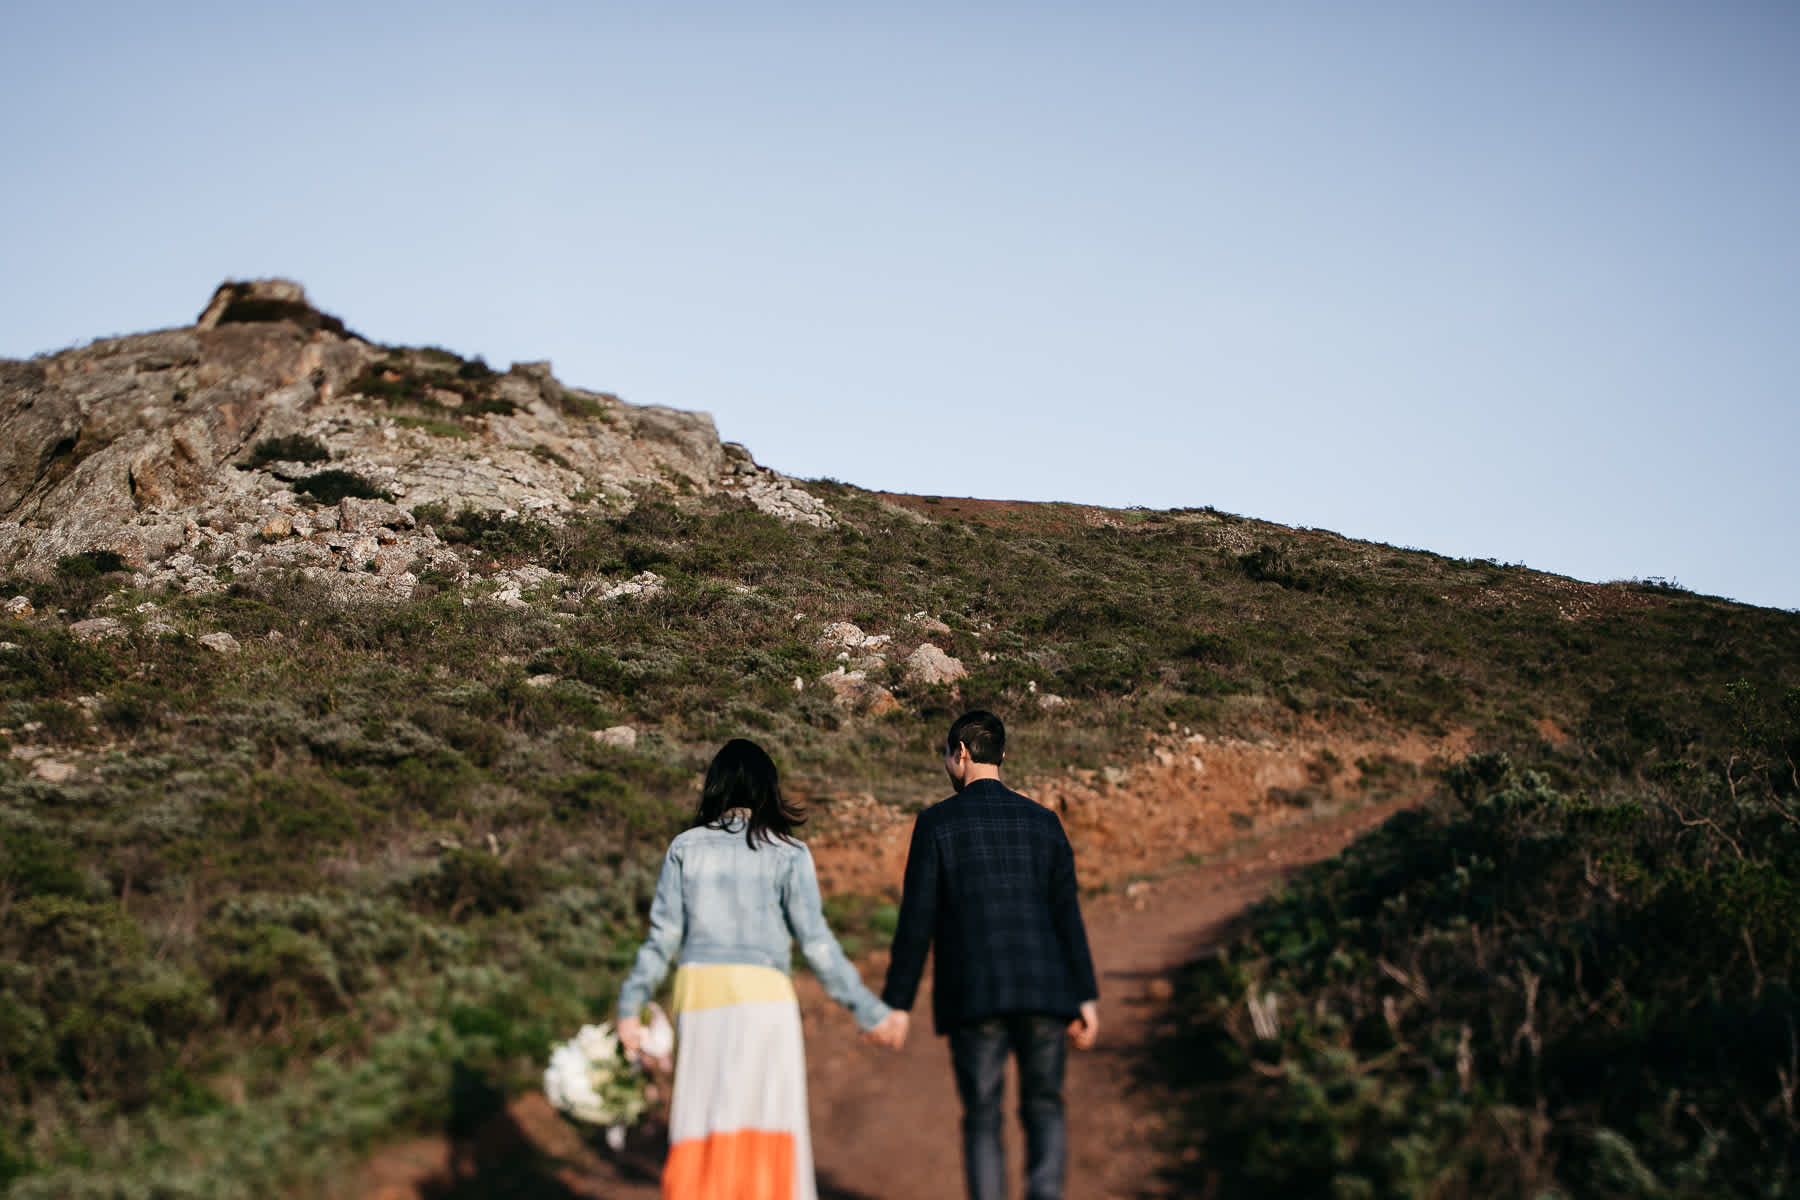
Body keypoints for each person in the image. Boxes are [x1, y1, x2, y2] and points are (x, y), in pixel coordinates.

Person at [615, 738, 906, 1200]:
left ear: (715, 787)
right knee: (769, 1121)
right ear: (768, 790)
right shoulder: (788, 852)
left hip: (701, 996)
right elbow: (817, 945)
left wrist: (630, 1007)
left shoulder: (685, 848)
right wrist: (869, 1011)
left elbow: (663, 938)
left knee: (702, 1123)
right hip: (766, 1003)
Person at [877, 710, 1100, 1200]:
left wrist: (897, 1003)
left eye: (946, 758)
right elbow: (1067, 917)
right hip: (1045, 990)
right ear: (1002, 755)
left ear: (960, 753)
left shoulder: (936, 823)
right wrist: (1085, 997)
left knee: (982, 1116)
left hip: (974, 992)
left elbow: (917, 922)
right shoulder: (1045, 823)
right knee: (1044, 1106)